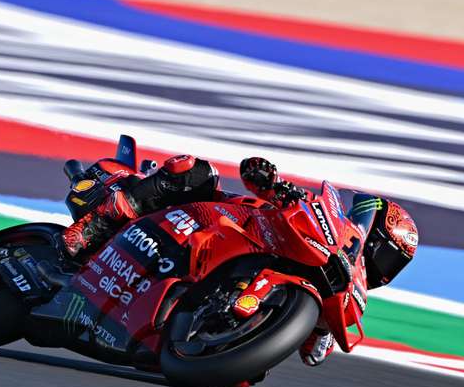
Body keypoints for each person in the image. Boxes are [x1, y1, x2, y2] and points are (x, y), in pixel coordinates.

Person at [61, 154, 418, 371]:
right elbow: (260, 181)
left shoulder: (345, 294)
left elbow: (314, 356)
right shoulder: (314, 217)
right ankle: (92, 229)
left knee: (249, 379)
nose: (380, 262)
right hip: (209, 221)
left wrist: (319, 331)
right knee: (196, 172)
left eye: (390, 261)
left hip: (193, 337)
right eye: (382, 250)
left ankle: (187, 331)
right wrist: (272, 182)